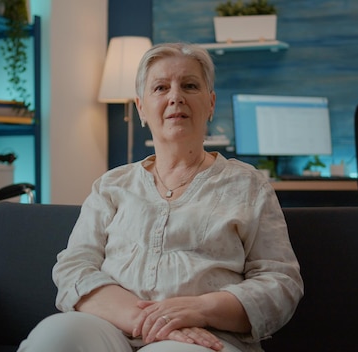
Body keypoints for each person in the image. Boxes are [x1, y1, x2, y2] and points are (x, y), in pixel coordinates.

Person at [18, 42, 304, 352]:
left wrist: (200, 309)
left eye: (190, 85)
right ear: (141, 107)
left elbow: (281, 282)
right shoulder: (111, 185)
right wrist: (150, 321)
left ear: (210, 103)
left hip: (205, 337)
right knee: (54, 337)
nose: (175, 97)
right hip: (111, 327)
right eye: (160, 87)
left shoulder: (249, 185)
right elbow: (74, 268)